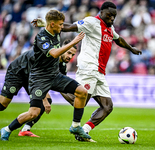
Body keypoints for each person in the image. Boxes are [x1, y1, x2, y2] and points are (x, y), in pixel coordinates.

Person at [32, 1, 142, 141]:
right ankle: (55, 83)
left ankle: (84, 130)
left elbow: (118, 39)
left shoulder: (109, 27)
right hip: (89, 67)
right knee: (78, 100)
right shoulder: (92, 22)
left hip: (100, 72)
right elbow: (70, 27)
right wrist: (46, 25)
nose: (112, 19)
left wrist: (131, 48)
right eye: (109, 16)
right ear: (101, 13)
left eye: (114, 16)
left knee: (107, 107)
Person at [0, 9, 91, 141]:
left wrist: (44, 23)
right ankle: (7, 129)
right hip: (32, 75)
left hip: (53, 75)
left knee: (82, 92)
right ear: (53, 25)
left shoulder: (55, 31)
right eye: (60, 24)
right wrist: (73, 41)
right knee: (26, 111)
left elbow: (53, 26)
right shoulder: (42, 37)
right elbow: (54, 53)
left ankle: (76, 125)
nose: (62, 27)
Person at [18, 39, 77, 137]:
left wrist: (74, 101)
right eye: (68, 53)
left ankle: (24, 129)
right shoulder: (50, 58)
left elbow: (61, 87)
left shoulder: (62, 66)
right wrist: (45, 100)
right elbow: (39, 78)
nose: (70, 57)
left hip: (34, 79)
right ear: (62, 49)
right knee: (4, 104)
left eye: (72, 55)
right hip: (26, 75)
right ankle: (14, 129)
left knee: (42, 104)